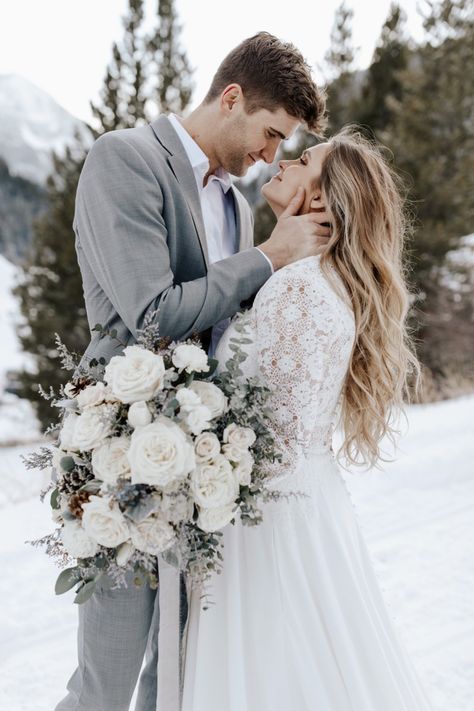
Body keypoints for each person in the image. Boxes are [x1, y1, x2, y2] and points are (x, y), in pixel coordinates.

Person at [55, 32, 328, 711]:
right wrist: (267, 256)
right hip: (123, 455)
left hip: (206, 467)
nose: (270, 157)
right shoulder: (125, 159)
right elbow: (152, 313)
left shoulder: (235, 204)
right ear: (231, 98)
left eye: (283, 145)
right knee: (107, 681)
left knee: (177, 677)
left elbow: (229, 326)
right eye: (270, 134)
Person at [181, 127, 434, 711]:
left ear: (320, 201)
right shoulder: (312, 280)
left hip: (267, 525)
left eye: (304, 159)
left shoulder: (295, 289)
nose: (284, 161)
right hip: (297, 505)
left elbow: (274, 438)